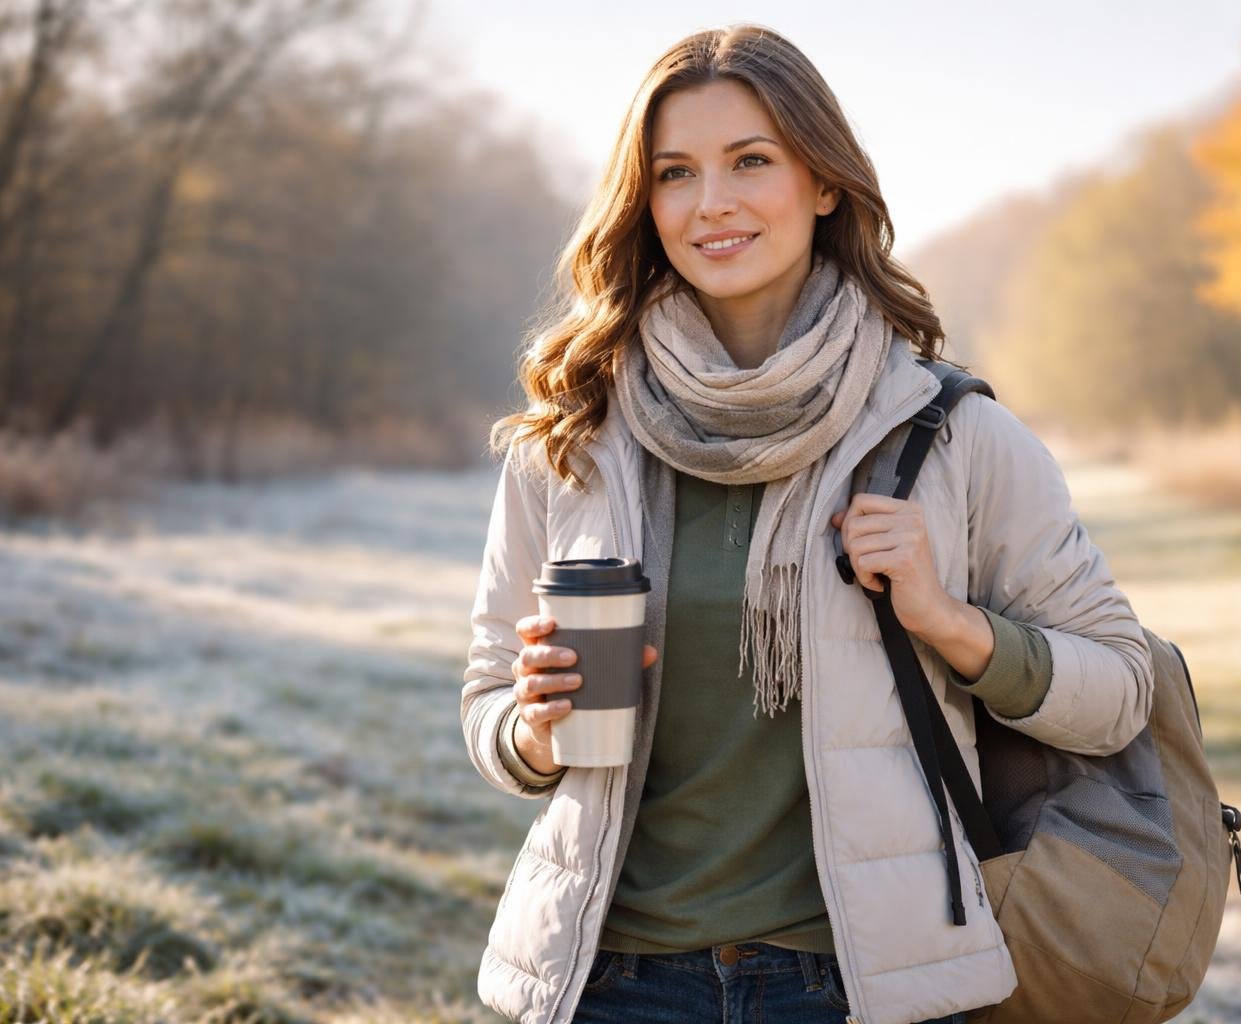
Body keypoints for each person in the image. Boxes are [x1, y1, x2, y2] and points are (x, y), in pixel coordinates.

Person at [460, 22, 1154, 1024]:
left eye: (752, 161)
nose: (713, 203)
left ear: (823, 181)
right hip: (612, 978)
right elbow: (489, 706)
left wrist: (950, 623)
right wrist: (532, 723)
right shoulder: (575, 436)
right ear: (643, 202)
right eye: (675, 173)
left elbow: (1120, 692)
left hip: (859, 985)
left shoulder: (949, 432)